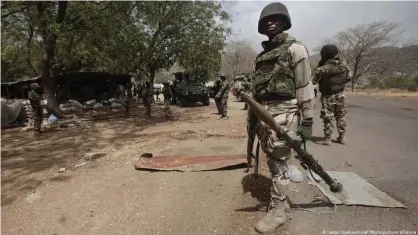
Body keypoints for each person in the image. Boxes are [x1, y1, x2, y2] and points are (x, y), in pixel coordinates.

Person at [246, 2, 315, 233]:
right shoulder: (262, 56)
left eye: (275, 19)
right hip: (265, 112)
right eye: (266, 20)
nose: (270, 23)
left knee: (279, 163)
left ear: (284, 22)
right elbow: (256, 92)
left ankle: (278, 209)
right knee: (272, 159)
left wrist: (307, 121)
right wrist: (253, 120)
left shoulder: (295, 49)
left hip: (286, 112)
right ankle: (280, 203)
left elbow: (305, 85)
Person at [313, 44, 352, 145]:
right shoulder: (344, 66)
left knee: (328, 117)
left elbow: (313, 81)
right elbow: (349, 78)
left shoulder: (322, 69)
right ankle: (342, 138)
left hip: (328, 96)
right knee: (341, 116)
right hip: (341, 94)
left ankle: (327, 139)